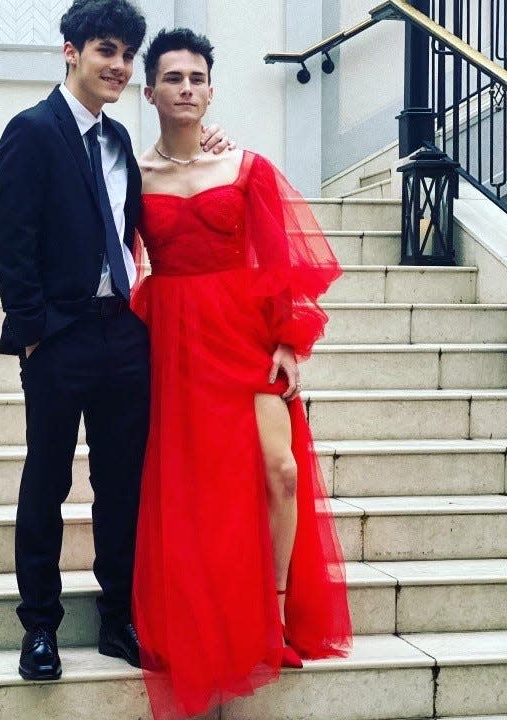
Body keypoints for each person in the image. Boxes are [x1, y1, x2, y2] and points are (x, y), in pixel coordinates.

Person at [0, 1, 231, 682]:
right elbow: (11, 241)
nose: (119, 66)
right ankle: (40, 626)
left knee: (122, 484)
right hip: (59, 337)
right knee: (47, 478)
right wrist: (33, 333)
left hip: (123, 331)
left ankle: (118, 617)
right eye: (106, 51)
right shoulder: (31, 132)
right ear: (71, 53)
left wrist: (211, 139)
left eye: (127, 55)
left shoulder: (122, 140)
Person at [131, 29, 353, 719]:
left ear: (212, 89)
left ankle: (278, 615)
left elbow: (278, 256)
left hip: (242, 332)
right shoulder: (134, 175)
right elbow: (113, 253)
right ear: (152, 92)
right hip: (172, 337)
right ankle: (194, 614)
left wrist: (289, 341)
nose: (187, 88)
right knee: (192, 483)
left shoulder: (246, 167)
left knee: (279, 469)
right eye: (174, 78)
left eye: (198, 77)